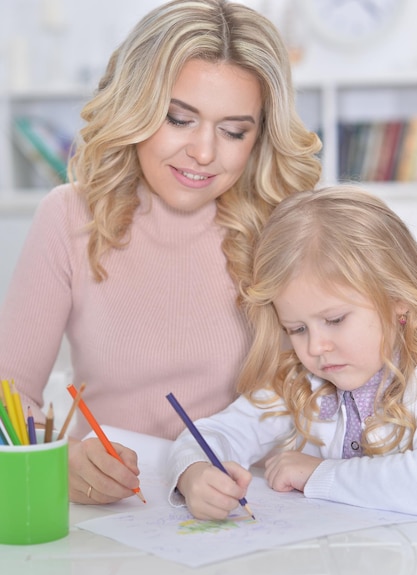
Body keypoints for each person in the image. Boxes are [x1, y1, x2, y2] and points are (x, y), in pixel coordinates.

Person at [0, 0, 321, 504]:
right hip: (119, 510)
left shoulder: (284, 229)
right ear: (136, 108)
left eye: (234, 131)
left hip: (252, 507)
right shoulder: (68, 217)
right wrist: (61, 462)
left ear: (260, 137)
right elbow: (9, 401)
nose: (204, 152)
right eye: (178, 119)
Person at [167, 185, 417, 519]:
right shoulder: (300, 381)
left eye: (335, 319)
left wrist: (317, 473)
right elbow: (217, 434)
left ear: (397, 300)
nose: (315, 348)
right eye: (297, 329)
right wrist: (195, 473)